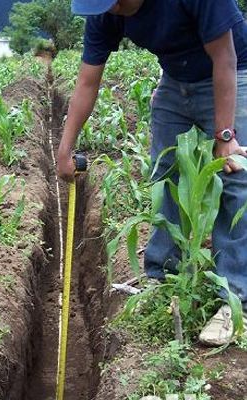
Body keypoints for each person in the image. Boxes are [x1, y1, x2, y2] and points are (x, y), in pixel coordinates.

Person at [57, 0, 247, 346]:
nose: (106, 10)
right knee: (165, 173)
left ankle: (235, 299)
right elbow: (87, 82)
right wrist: (65, 148)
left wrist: (225, 135)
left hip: (234, 73)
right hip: (176, 81)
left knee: (236, 179)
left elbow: (226, 57)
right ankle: (164, 278)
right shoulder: (105, 14)